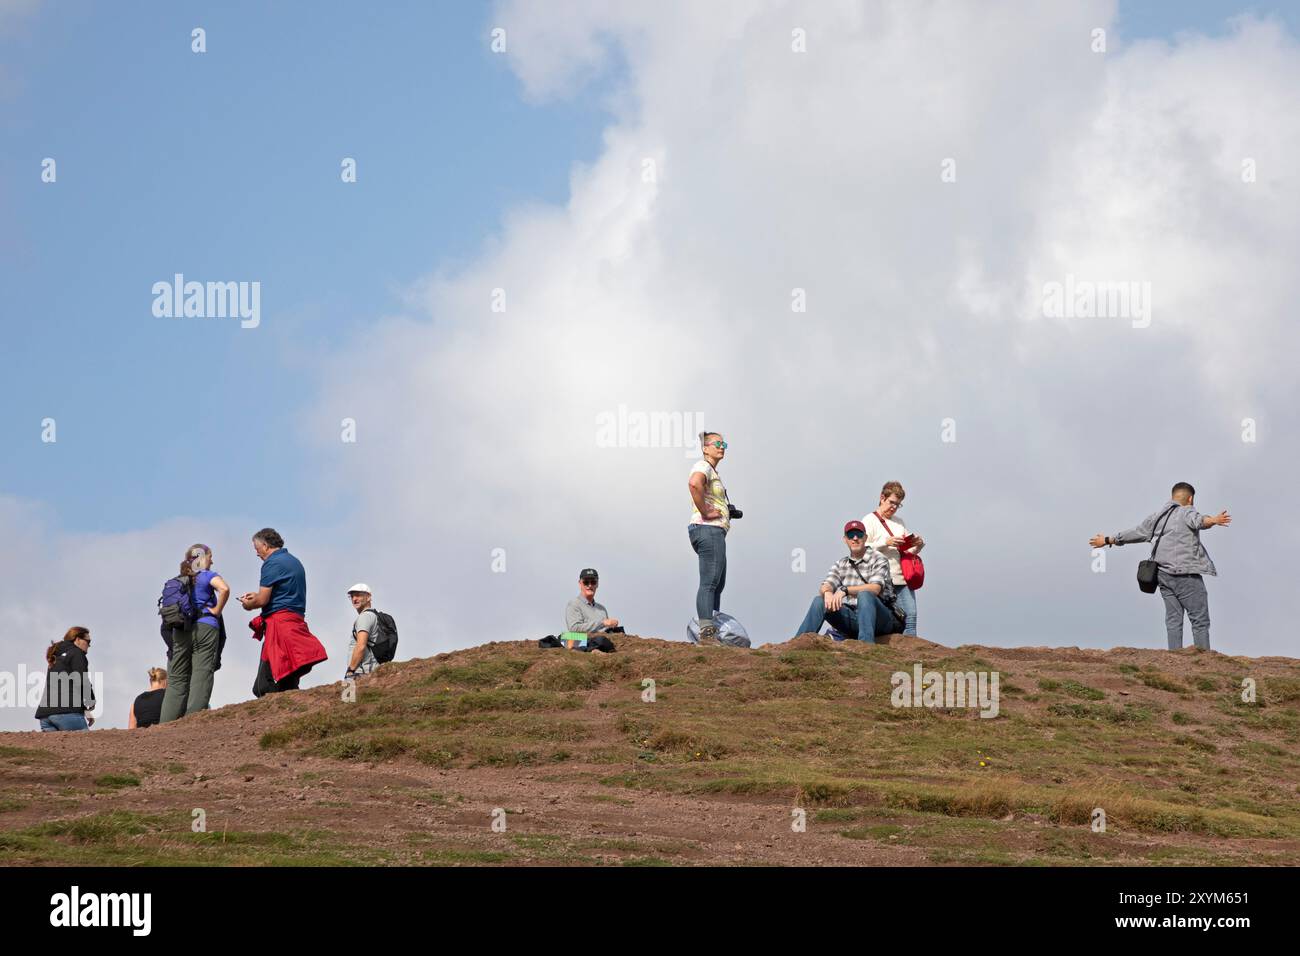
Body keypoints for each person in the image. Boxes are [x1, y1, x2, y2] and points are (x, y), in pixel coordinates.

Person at [1090, 482, 1230, 650]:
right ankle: (1203, 662)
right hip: (1186, 575)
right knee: (1199, 619)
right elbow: (1199, 521)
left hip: (1163, 575)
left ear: (1173, 496)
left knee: (1173, 619)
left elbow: (1136, 533)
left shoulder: (1156, 518)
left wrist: (1107, 540)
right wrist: (1214, 520)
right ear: (1190, 499)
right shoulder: (1187, 511)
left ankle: (1174, 657)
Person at [239, 528, 327, 696]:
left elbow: (262, 600)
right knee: (287, 680)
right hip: (295, 622)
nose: (256, 553)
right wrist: (256, 596)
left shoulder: (271, 563)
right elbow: (283, 592)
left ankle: (277, 715)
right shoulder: (294, 561)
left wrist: (248, 604)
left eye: (256, 549)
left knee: (262, 687)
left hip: (280, 628)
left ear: (265, 545)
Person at [794, 521, 904, 644]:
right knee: (819, 600)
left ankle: (866, 646)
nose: (855, 538)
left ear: (865, 538)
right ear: (845, 539)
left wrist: (845, 590)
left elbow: (875, 588)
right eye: (851, 535)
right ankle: (797, 644)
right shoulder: (841, 564)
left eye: (859, 534)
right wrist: (828, 593)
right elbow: (827, 583)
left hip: (882, 618)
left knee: (865, 594)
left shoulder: (878, 558)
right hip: (854, 617)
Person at [160, 544, 228, 722]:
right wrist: (217, 610)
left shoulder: (179, 580)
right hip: (205, 627)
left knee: (176, 681)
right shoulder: (206, 575)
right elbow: (224, 589)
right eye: (210, 556)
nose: (212, 560)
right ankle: (193, 720)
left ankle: (165, 724)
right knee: (202, 672)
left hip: (180, 630)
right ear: (203, 557)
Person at [688, 431, 738, 645]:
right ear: (705, 448)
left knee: (717, 582)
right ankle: (707, 633)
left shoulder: (712, 471)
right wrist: (707, 512)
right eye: (717, 443)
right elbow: (694, 484)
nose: (722, 447)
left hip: (714, 531)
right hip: (708, 529)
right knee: (710, 582)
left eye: (724, 443)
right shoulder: (703, 466)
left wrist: (727, 511)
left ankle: (712, 628)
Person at [862, 481, 926, 636]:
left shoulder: (899, 522)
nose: (894, 507)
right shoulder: (868, 520)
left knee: (910, 617)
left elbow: (906, 551)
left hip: (901, 577)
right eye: (892, 502)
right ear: (882, 498)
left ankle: (912, 658)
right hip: (879, 579)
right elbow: (861, 549)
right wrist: (886, 542)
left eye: (898, 504)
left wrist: (918, 545)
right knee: (886, 620)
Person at [34, 627, 96, 731]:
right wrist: (90, 701)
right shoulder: (76, 653)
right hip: (68, 713)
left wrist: (84, 709)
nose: (89, 645)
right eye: (88, 641)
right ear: (77, 639)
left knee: (54, 748)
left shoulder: (55, 654)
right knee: (83, 746)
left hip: (45, 716)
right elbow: (81, 680)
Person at [564, 569, 622, 634]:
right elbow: (574, 628)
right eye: (586, 582)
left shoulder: (602, 609)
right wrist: (602, 623)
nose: (590, 585)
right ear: (580, 583)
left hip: (601, 642)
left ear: (597, 584)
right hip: (585, 643)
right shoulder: (574, 604)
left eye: (593, 582)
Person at [345, 583, 382, 679]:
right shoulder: (374, 616)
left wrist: (350, 670)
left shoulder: (364, 617)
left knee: (348, 694)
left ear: (368, 597)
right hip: (371, 670)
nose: (354, 599)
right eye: (352, 596)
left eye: (358, 595)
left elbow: (361, 646)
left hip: (359, 673)